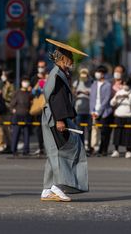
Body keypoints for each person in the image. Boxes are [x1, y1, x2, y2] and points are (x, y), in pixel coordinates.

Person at [40, 38, 89, 202]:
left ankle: (47, 189)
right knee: (64, 151)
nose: (72, 61)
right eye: (70, 58)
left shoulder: (59, 73)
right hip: (56, 119)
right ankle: (57, 186)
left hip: (54, 117)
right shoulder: (57, 75)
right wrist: (60, 120)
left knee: (54, 153)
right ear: (62, 59)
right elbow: (56, 99)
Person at [110, 78, 131, 158]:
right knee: (117, 133)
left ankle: (128, 151)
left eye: (127, 84)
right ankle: (116, 150)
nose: (125, 86)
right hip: (119, 115)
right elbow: (112, 103)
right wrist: (117, 98)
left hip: (128, 115)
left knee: (128, 134)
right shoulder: (119, 92)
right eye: (124, 84)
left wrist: (128, 98)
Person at [89, 65, 113, 156]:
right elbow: (92, 99)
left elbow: (106, 99)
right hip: (94, 111)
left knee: (104, 132)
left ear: (103, 74)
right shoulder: (94, 84)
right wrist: (92, 111)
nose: (97, 74)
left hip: (104, 112)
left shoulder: (107, 85)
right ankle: (94, 148)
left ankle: (103, 149)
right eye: (97, 72)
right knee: (94, 131)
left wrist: (99, 112)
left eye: (99, 72)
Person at [10, 76, 33, 156]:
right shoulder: (17, 93)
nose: (25, 83)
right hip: (17, 115)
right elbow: (12, 104)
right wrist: (13, 110)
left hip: (26, 115)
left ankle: (26, 150)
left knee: (26, 133)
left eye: (27, 81)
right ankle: (14, 150)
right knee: (16, 133)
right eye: (24, 81)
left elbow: (32, 103)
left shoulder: (29, 93)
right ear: (21, 82)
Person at [31, 61, 48, 156]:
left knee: (48, 127)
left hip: (47, 106)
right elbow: (32, 92)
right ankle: (40, 147)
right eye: (39, 66)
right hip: (38, 106)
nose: (41, 68)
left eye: (42, 66)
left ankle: (48, 146)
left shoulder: (49, 77)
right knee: (39, 128)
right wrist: (38, 84)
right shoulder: (34, 78)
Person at [72, 68, 92, 147]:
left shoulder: (92, 82)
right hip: (79, 110)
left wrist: (88, 94)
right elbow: (72, 93)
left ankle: (90, 147)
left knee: (90, 130)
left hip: (89, 110)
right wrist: (76, 93)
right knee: (80, 130)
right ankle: (81, 146)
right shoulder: (76, 83)